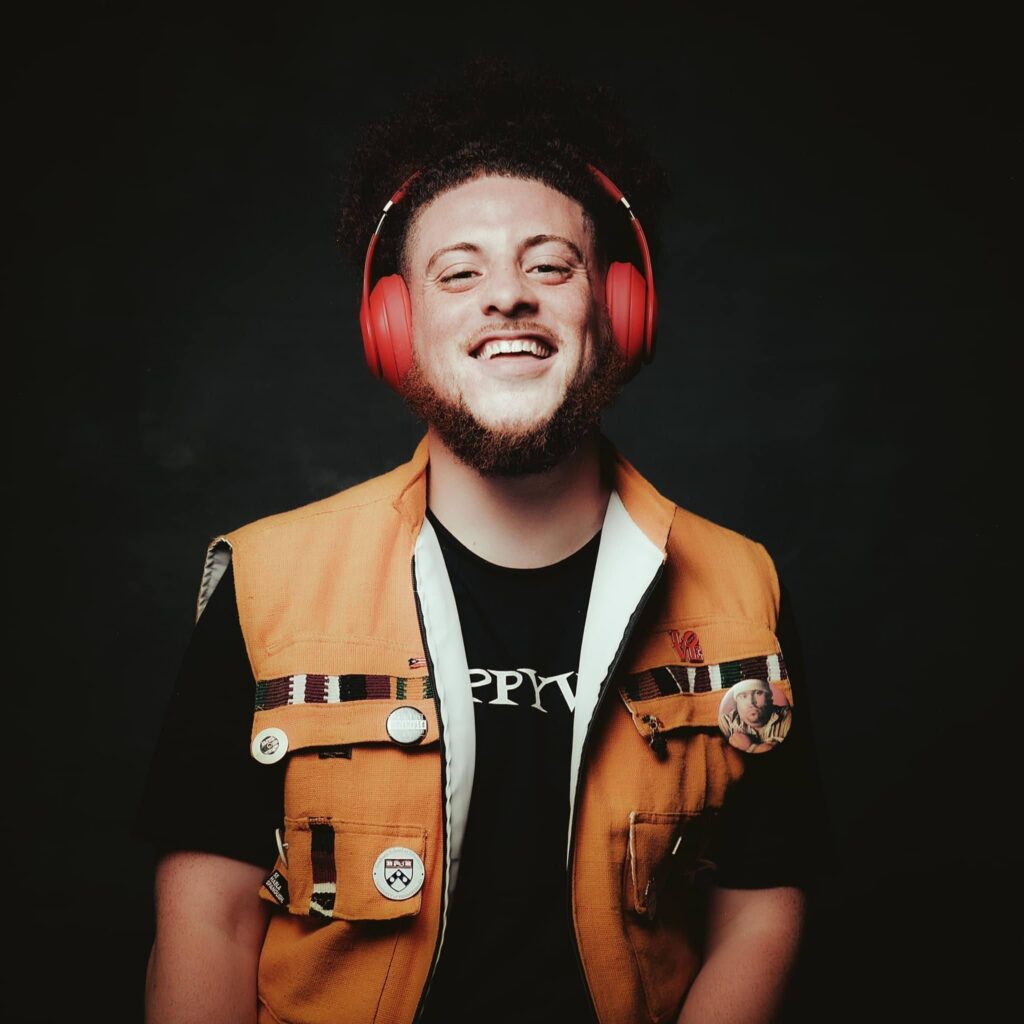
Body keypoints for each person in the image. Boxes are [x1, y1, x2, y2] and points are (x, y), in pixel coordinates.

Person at [137, 57, 832, 1024]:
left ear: (620, 310)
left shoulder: (740, 588)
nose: (507, 297)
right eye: (459, 273)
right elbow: (207, 926)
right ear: (396, 327)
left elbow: (758, 910)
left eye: (549, 265)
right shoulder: (265, 584)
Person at [719, 679, 794, 753]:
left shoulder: (787, 717)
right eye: (744, 696)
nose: (751, 702)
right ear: (737, 703)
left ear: (769, 698)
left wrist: (750, 747)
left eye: (758, 693)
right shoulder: (726, 722)